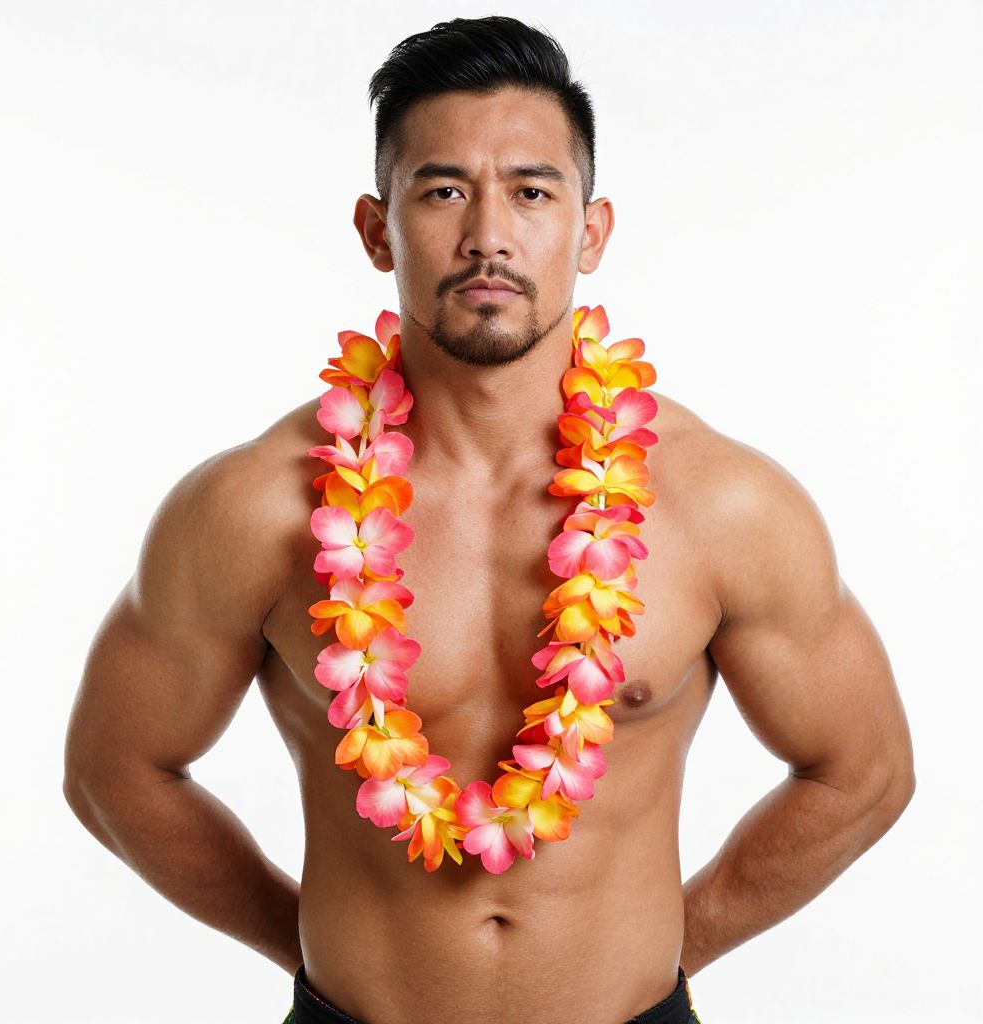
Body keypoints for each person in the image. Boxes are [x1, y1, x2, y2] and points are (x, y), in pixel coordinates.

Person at [62, 15, 915, 1024]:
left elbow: (864, 771)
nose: (488, 235)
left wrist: (682, 943)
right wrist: (300, 942)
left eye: (532, 190)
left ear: (588, 231)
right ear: (377, 228)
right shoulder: (254, 507)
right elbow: (114, 771)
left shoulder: (723, 505)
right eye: (442, 190)